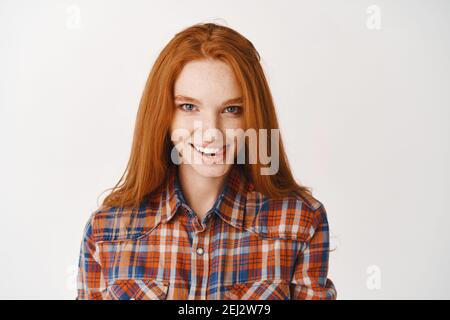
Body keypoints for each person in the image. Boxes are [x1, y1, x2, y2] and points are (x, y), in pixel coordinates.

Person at [76, 22, 337, 300]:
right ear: (163, 115)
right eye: (189, 107)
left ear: (254, 118)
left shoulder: (300, 221)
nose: (211, 131)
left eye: (232, 110)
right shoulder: (106, 230)